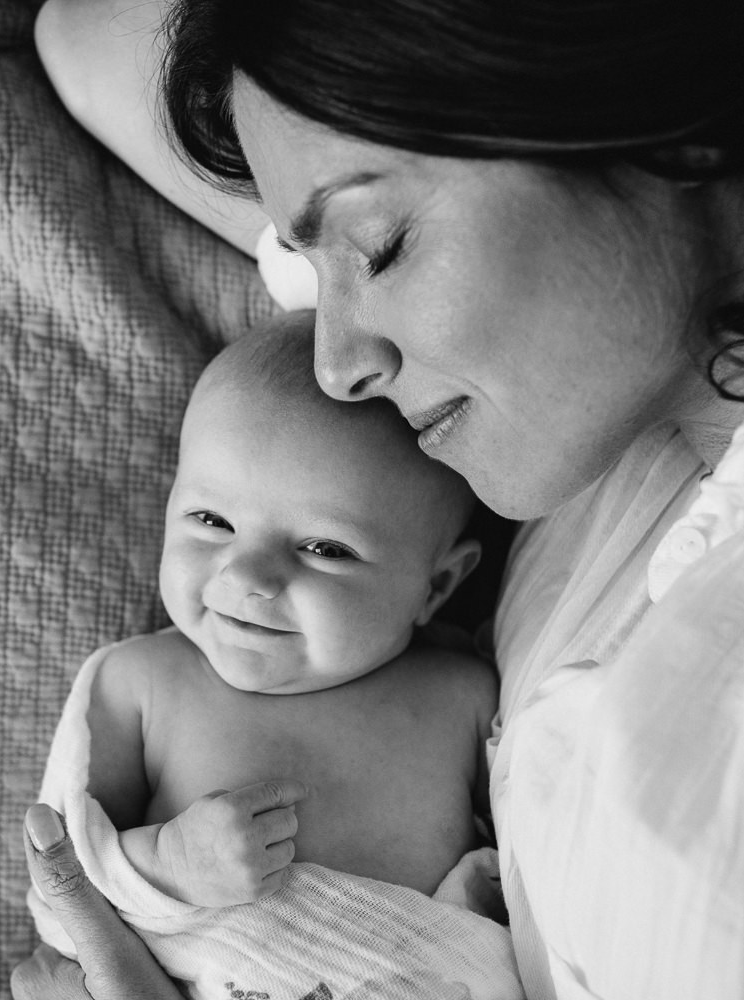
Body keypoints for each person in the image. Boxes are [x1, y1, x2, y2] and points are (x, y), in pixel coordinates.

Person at [18, 1, 744, 997]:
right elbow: (91, 41)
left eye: (380, 246)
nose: (338, 364)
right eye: (315, 262)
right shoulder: (573, 402)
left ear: (646, 109)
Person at [27, 313, 523, 1000]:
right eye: (212, 521)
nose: (249, 576)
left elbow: (538, 856)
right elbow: (64, 871)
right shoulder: (138, 683)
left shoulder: (464, 695)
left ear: (435, 585)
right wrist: (167, 868)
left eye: (324, 548)